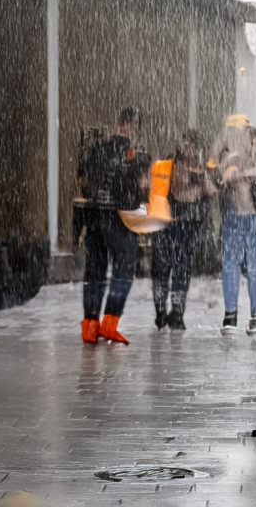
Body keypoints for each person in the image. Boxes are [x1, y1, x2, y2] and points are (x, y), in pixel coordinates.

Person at [76, 107, 150, 345]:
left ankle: (89, 327)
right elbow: (142, 186)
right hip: (120, 220)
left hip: (95, 217)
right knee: (124, 271)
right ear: (131, 125)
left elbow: (84, 182)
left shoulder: (98, 149)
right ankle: (109, 324)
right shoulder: (136, 153)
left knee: (94, 273)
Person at [152, 131, 217, 331]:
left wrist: (200, 187)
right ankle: (161, 311)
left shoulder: (202, 168)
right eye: (184, 144)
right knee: (162, 269)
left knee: (182, 270)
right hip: (168, 225)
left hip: (189, 227)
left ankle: (178, 313)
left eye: (191, 145)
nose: (187, 148)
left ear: (198, 148)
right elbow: (181, 191)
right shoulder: (173, 165)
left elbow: (211, 191)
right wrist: (198, 188)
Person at [209, 114, 256, 336]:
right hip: (233, 213)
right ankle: (232, 315)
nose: (237, 134)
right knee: (233, 264)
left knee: (253, 265)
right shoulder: (224, 148)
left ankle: (255, 315)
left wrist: (238, 173)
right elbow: (215, 173)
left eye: (241, 130)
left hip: (252, 213)